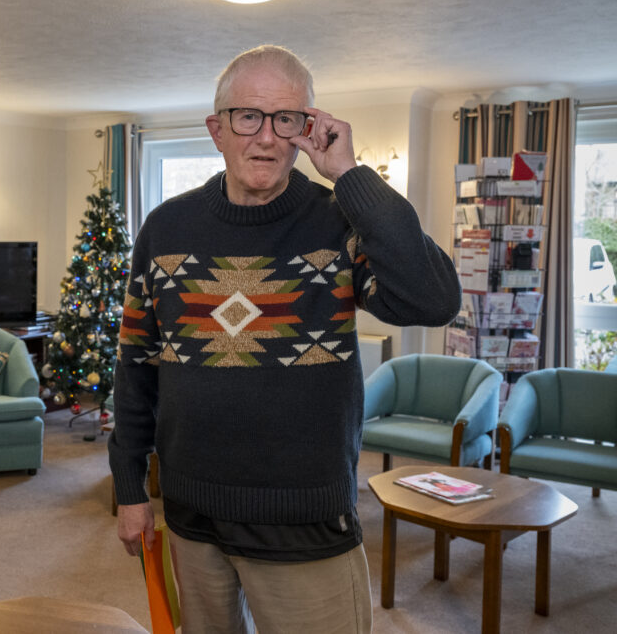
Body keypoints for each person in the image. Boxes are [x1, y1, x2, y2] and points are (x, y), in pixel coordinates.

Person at [108, 45, 461, 634]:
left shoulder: (340, 221)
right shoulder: (166, 228)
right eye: (248, 117)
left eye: (286, 120)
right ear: (216, 130)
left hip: (306, 521)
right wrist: (129, 486)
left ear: (309, 129)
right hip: (193, 516)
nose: (266, 139)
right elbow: (136, 364)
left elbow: (433, 300)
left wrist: (351, 177)